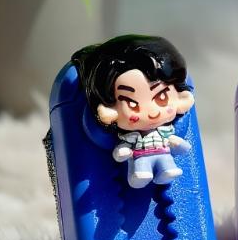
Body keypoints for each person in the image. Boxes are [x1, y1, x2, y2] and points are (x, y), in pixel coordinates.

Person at [73, 35, 195, 188]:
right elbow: (123, 149)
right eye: (131, 103)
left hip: (163, 154)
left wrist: (178, 144)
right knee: (141, 171)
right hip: (138, 158)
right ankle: (140, 175)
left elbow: (183, 147)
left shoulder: (165, 131)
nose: (152, 113)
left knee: (168, 167)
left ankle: (166, 170)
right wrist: (122, 151)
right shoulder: (132, 136)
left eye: (161, 97)